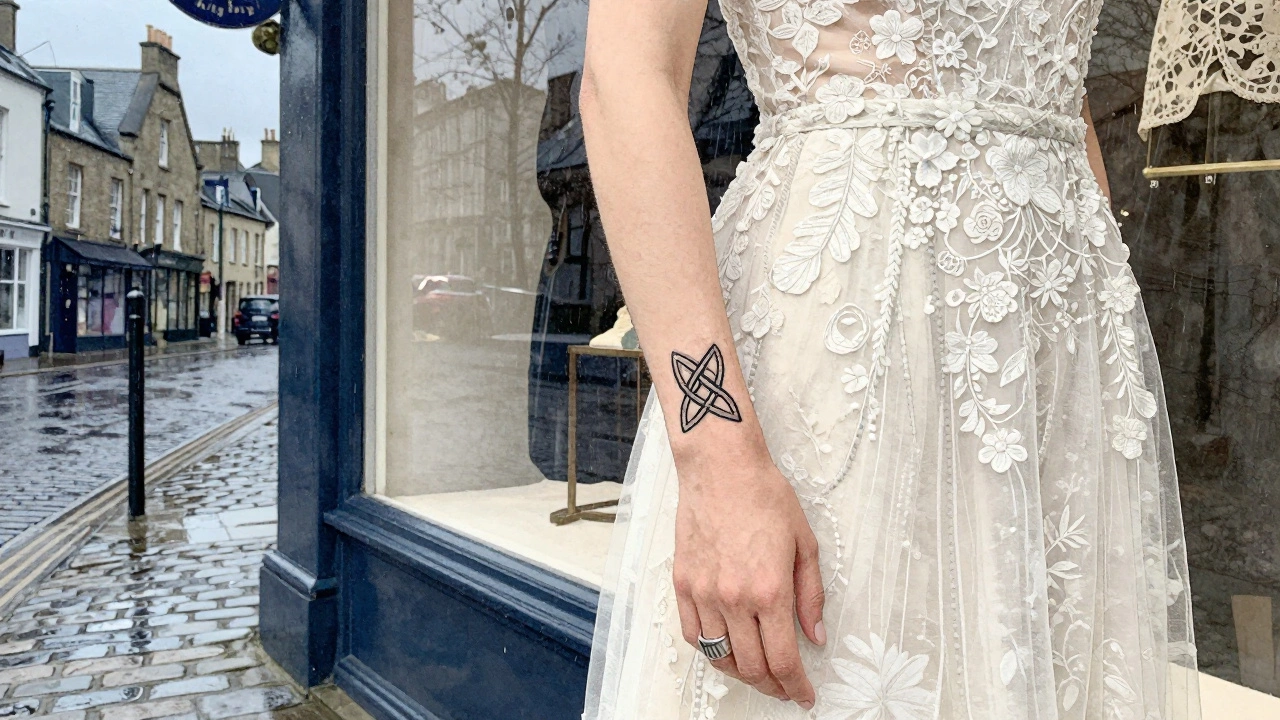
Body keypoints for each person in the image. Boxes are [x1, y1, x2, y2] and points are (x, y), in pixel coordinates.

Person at [578, 0, 1202, 718]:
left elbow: (1053, 89)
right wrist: (718, 463)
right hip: (853, 345)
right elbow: (628, 73)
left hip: (1061, 358)